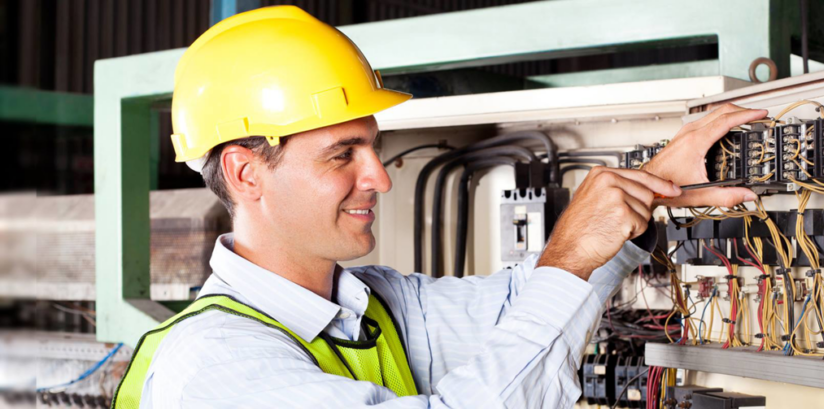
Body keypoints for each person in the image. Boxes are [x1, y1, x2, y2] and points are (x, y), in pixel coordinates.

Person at [111, 5, 766, 409]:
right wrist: (569, 252)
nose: (379, 177)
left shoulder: (376, 304)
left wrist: (642, 197)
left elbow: (522, 309)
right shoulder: (211, 366)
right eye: (343, 154)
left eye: (373, 147)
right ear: (246, 171)